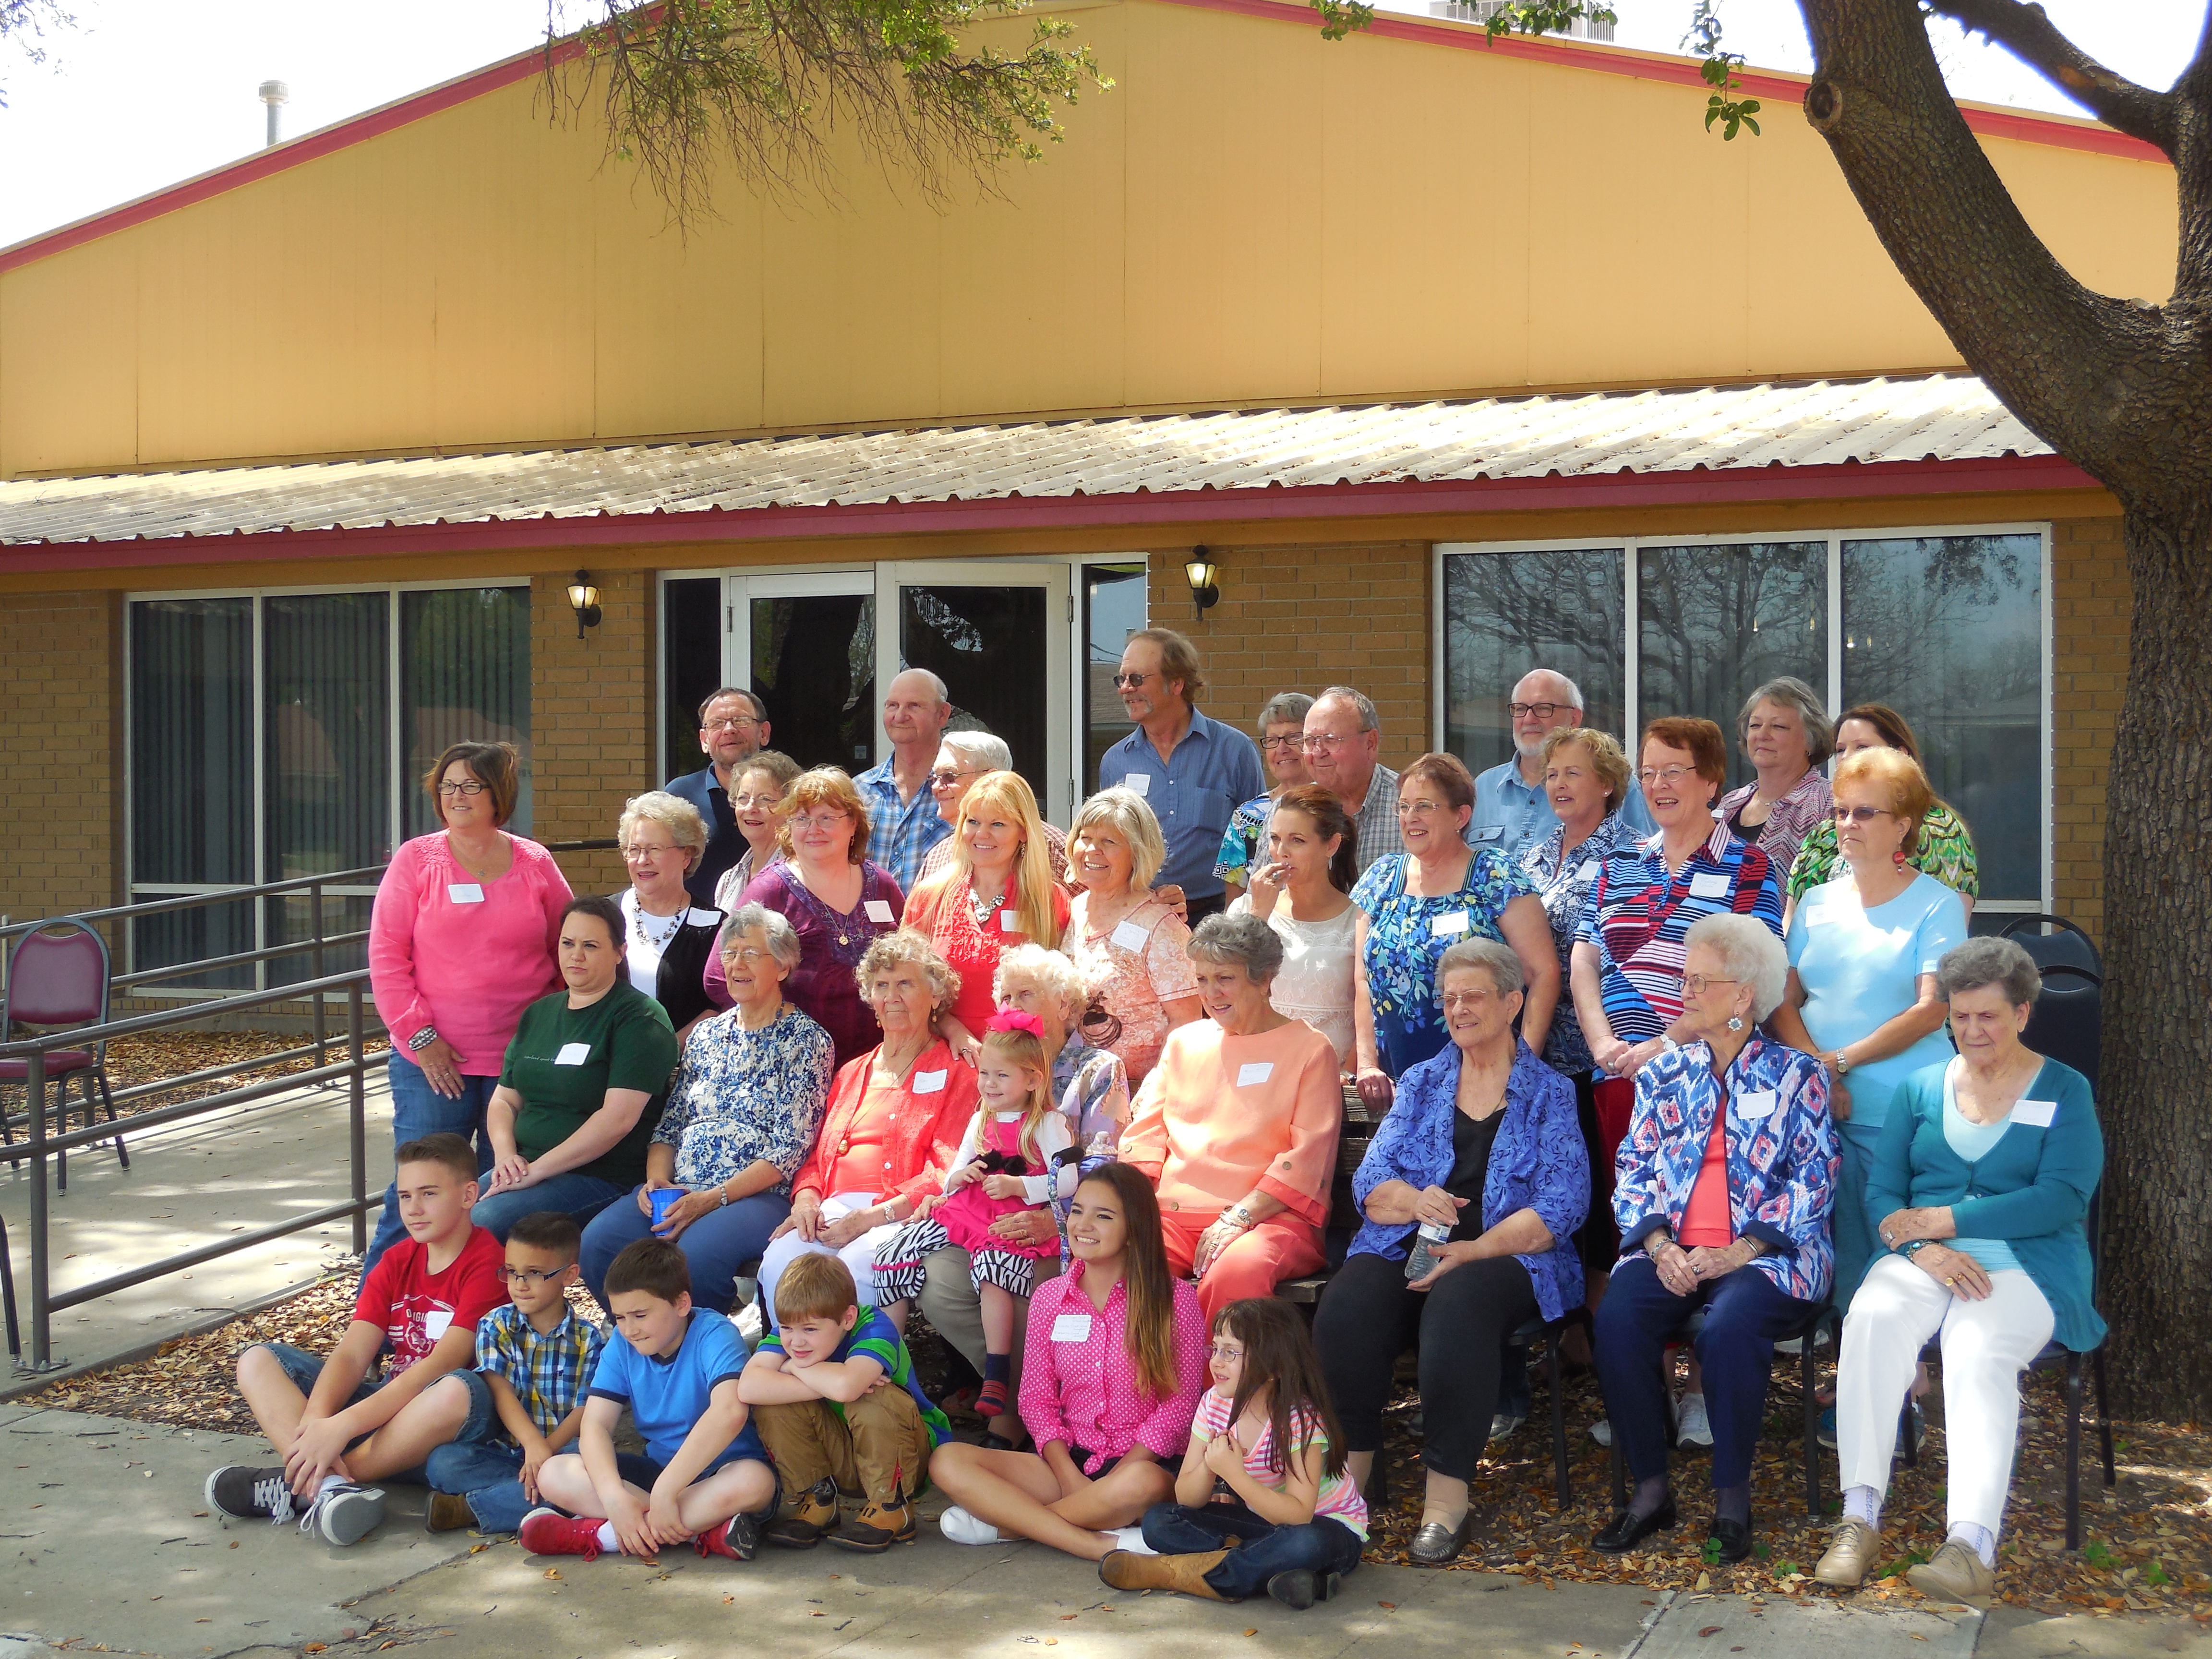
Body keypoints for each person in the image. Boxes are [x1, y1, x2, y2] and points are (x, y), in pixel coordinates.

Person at [1814, 938, 2103, 1608]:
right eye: (1961, 1016)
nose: (1972, 1031)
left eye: (1989, 1017)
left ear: (2023, 1013)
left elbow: (2063, 1197)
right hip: (1924, 1259)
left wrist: (1948, 1220)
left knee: (1976, 1347)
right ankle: (1859, 1518)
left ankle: (1971, 1546)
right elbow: (1884, 1194)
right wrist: (1922, 1248)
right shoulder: (1921, 1088)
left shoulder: (2064, 1089)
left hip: (2029, 1265)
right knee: (1872, 1316)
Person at [1313, 938, 1587, 1566]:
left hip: (1509, 1255)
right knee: (1349, 1305)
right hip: (1412, 1241)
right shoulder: (1422, 1081)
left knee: (1458, 1305)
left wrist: (1476, 1249)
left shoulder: (1549, 1092)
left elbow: (1562, 1205)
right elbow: (1371, 1182)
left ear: (1512, 1003)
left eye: (1473, 997)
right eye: (1449, 998)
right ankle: (1348, 1486)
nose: (1458, 1009)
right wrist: (1415, 1201)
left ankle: (1445, 1501)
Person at [1590, 914, 1837, 1566]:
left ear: (1744, 995)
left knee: (1729, 1327)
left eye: (1702, 981)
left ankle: (1732, 1499)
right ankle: (1651, 1491)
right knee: (1617, 1320)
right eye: (1685, 978)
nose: (1686, 991)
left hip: (1770, 1255)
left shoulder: (1796, 1074)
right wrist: (1660, 1246)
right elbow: (1634, 1169)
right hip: (1673, 1249)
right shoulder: (1665, 1074)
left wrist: (1742, 1250)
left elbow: (1815, 1176)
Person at [1571, 716, 1784, 1334]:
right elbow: (1584, 958)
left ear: (1712, 781)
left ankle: (1707, 1370)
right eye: (1649, 773)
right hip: (1619, 1075)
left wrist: (1666, 1043)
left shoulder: (1749, 867)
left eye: (1674, 771)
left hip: (1710, 1077)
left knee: (1706, 1217)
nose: (1658, 784)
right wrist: (1603, 1042)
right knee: (1641, 1225)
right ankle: (1649, 1372)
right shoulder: (1618, 864)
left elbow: (1755, 975)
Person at [204, 1134, 506, 1544]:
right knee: (257, 1360)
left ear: (469, 1195)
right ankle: (330, 1486)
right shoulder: (397, 1259)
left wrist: (341, 1427)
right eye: (404, 1196)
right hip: (386, 1418)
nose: (413, 1209)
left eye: (429, 1194)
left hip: (448, 1422)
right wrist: (317, 1425)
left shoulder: (488, 1263)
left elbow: (440, 1366)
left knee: (456, 1389)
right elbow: (351, 1354)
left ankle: (306, 1482)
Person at [1770, 747, 1967, 1311]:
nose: (1847, 824)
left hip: (1900, 1110)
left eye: (1864, 813)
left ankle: (1899, 1358)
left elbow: (1932, 1009)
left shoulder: (1937, 905)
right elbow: (1784, 998)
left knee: (1894, 1245)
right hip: (1819, 1105)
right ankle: (1848, 1353)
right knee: (1838, 1249)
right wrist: (1821, 1070)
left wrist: (1840, 1062)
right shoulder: (1814, 902)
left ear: (1902, 826)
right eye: (1841, 812)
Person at [364, 740, 571, 1274]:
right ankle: (378, 1315)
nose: (456, 796)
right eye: (447, 786)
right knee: (419, 1196)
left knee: (498, 1203)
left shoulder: (535, 862)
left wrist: (553, 1035)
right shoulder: (417, 860)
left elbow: (567, 951)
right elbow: (386, 956)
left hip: (518, 1064)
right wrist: (421, 1038)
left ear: (498, 794)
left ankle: (477, 1312)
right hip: (432, 1064)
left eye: (470, 786)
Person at [928, 1164, 1207, 1557]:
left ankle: (1013, 1527)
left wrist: (1121, 1472)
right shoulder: (1050, 1298)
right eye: (1077, 1211)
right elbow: (1036, 1399)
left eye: (1103, 1216)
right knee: (947, 1460)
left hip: (1143, 1465)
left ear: (1135, 1228)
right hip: (1067, 1463)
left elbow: (1180, 1405)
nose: (1083, 1225)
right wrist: (1068, 1477)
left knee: (1141, 1483)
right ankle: (1096, 1543)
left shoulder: (1175, 1299)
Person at [911, 947, 1134, 1427]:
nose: (1012, 1005)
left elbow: (1102, 1165)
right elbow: (976, 1149)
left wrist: (1053, 1216)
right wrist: (954, 1188)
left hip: (1062, 1229)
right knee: (937, 1277)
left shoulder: (1098, 1069)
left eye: (1026, 994)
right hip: (990, 1221)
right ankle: (1022, 1391)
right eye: (1006, 996)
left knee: (1013, 1280)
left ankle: (1016, 1416)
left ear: (1065, 1005)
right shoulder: (995, 1070)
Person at [579, 905, 836, 1315]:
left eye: (751, 954)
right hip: (681, 1187)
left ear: (783, 967)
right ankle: (641, 1336)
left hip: (756, 1196)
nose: (736, 964)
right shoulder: (707, 1034)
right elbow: (672, 1124)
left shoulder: (807, 1041)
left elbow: (789, 1150)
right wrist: (657, 1181)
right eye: (730, 953)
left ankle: (701, 1345)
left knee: (694, 1259)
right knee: (600, 1242)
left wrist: (711, 1199)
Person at [1120, 914, 1341, 1321]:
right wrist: (1131, 1208)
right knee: (1124, 1268)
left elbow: (1308, 1157)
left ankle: (1221, 1367)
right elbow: (1145, 1136)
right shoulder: (1184, 1042)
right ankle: (1144, 1369)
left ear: (1264, 979)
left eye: (1225, 978)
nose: (1211, 993)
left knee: (1236, 1274)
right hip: (1171, 1218)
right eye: (1202, 979)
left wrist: (1239, 1217)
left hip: (1267, 1221)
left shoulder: (1310, 1049)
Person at [754, 932, 978, 1324]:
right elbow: (816, 1159)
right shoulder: (852, 1071)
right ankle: (794, 1358)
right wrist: (806, 1204)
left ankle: (861, 1361)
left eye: (905, 984)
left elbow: (944, 1171)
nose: (892, 996)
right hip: (833, 1208)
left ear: (935, 997)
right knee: (780, 1262)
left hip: (902, 1212)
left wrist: (872, 1218)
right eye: (881, 986)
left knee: (859, 1266)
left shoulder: (958, 1074)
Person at [520, 1238, 779, 1563]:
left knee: (755, 1482)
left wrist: (667, 1492)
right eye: (620, 1318)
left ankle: (602, 1536)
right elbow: (596, 1425)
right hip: (658, 1473)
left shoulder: (714, 1332)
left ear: (682, 1304)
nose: (630, 1330)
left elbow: (729, 1412)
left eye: (640, 1315)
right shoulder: (622, 1343)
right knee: (554, 1472)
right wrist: (614, 1497)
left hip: (721, 1471)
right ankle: (701, 1532)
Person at [1104, 1298, 1367, 1611]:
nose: (1216, 1362)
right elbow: (1186, 1498)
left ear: (1274, 1366)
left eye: (1230, 1352)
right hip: (1263, 1525)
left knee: (1306, 1544)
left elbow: (1299, 1516)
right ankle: (1273, 1570)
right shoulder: (1214, 1404)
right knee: (1160, 1520)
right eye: (1215, 1348)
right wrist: (1209, 1467)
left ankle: (1172, 1574)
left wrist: (1235, 1475)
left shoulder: (1299, 1418)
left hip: (1328, 1527)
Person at [873, 1010, 1075, 1418]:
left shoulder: (1046, 1123)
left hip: (1010, 1217)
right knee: (891, 1254)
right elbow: (953, 1175)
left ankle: (997, 1373)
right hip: (967, 1211)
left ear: (1032, 1080)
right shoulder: (981, 1118)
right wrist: (959, 1177)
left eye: (1002, 1076)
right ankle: (889, 1360)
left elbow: (1068, 1178)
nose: (989, 1084)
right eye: (985, 1074)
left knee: (991, 1268)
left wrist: (1020, 1187)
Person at [1350, 752, 1558, 1104]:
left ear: (1461, 816)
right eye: (1404, 807)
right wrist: (1368, 1064)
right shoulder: (1381, 878)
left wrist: (1520, 1066)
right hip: (1397, 1087)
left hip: (1485, 1083)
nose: (1410, 817)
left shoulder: (1494, 874)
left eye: (1424, 806)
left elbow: (1543, 973)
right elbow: (1361, 980)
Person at [1518, 727, 1643, 1302]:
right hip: (1536, 1051)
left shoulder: (1633, 855)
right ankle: (1563, 1319)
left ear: (1608, 784)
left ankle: (1600, 1321)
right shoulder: (1533, 855)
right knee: (1551, 1190)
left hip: (1600, 1054)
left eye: (1573, 773)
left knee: (1600, 1195)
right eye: (1551, 774)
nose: (1558, 784)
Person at [473, 896, 680, 1239]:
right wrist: (506, 1158)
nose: (576, 955)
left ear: (620, 952)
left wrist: (536, 1172)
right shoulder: (538, 1014)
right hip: (526, 1166)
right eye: (568, 944)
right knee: (448, 1212)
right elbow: (505, 1100)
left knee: (484, 1222)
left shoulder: (640, 1018)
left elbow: (617, 1121)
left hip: (599, 1176)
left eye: (591, 946)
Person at [741, 1253, 955, 1553]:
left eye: (810, 1330)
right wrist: (826, 1382)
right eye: (787, 1328)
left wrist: (792, 1368)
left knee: (873, 1396)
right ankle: (820, 1499)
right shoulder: (796, 1326)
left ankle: (892, 1506)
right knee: (772, 1402)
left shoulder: (873, 1326)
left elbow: (847, 1388)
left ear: (848, 1318)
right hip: (843, 1457)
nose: (796, 1342)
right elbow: (749, 1387)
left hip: (906, 1459)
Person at [418, 1211, 606, 1535]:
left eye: (534, 1273)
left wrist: (546, 1451)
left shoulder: (589, 1340)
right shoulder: (495, 1325)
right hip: (507, 1451)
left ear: (569, 1275)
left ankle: (472, 1509)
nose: (519, 1285)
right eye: (511, 1272)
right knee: (444, 1463)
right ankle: (554, 1502)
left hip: (562, 1452)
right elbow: (500, 1390)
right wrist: (532, 1445)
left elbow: (584, 1410)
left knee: (586, 1466)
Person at [718, 767, 903, 1070]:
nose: (813, 829)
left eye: (827, 818)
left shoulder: (881, 884)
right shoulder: (770, 890)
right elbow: (718, 975)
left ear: (854, 824)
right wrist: (770, 1029)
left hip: (879, 1063)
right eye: (802, 819)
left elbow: (911, 963)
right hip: (793, 1065)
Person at [1098, 627, 1265, 925]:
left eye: (1136, 679)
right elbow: (1108, 844)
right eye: (1121, 679)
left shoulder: (1234, 750)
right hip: (1139, 915)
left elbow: (1256, 841)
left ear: (1176, 683)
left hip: (1215, 916)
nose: (1125, 688)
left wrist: (1238, 918)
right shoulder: (1116, 761)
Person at [900, 769, 1070, 1060]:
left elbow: (1060, 998)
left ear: (1024, 832)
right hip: (944, 1058)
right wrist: (954, 1031)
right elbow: (905, 986)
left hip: (1020, 1065)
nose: (982, 834)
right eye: (973, 822)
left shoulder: (1049, 901)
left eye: (998, 824)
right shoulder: (930, 897)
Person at [1785, 704, 1979, 923]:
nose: (1846, 757)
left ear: (1901, 755)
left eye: (1862, 747)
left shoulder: (1941, 829)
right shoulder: (1822, 834)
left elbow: (1949, 925)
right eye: (1840, 750)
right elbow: (1790, 921)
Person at [1066, 788, 1202, 1084]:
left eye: (1109, 842)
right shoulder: (1073, 909)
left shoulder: (1160, 923)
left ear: (1138, 853)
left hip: (1137, 1091)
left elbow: (1186, 1020)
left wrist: (1154, 1091)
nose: (1092, 850)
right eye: (1085, 837)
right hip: (1074, 1088)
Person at [1228, 783, 1360, 1068]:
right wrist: (1258, 917)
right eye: (1275, 839)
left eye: (1297, 840)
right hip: (1256, 1068)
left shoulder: (1358, 920)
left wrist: (1347, 1073)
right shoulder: (1245, 909)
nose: (1281, 852)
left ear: (1332, 845)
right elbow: (1227, 990)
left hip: (1330, 1074)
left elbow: (1370, 1009)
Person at [1471, 670, 1654, 859]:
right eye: (1520, 709)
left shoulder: (1616, 784)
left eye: (1543, 708)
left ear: (1574, 718)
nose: (1528, 719)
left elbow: (1648, 861)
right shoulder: (1482, 789)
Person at [615, 790, 723, 1042]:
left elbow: (719, 1003)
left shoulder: (717, 927)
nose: (643, 860)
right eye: (634, 849)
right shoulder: (604, 916)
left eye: (654, 849)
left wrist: (667, 1051)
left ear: (687, 855)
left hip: (684, 1061)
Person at [1715, 676, 1835, 881]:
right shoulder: (1729, 804)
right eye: (1755, 725)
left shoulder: (1828, 803)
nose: (1762, 735)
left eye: (1778, 726)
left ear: (1811, 739)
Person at [914, 731, 1069, 887]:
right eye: (934, 778)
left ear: (989, 778)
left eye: (949, 777)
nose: (936, 787)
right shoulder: (938, 856)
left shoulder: (1050, 848)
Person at [665, 686, 772, 907]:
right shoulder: (679, 797)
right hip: (696, 925)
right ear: (704, 740)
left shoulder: (791, 793)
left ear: (764, 733)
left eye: (740, 720)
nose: (729, 730)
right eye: (717, 723)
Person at [854, 668, 955, 891]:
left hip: (939, 914)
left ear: (942, 714)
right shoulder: (860, 790)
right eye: (893, 705)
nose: (900, 716)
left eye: (914, 706)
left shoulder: (962, 790)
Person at [1214, 692, 1315, 902]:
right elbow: (1235, 907)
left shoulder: (1337, 806)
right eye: (1272, 740)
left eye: (1293, 737)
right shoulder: (1246, 818)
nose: (1282, 749)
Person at [1301, 685, 1404, 876]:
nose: (1318, 752)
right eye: (1310, 741)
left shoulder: (1410, 809)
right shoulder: (1288, 813)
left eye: (1330, 740)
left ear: (1371, 743)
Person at [710, 749, 803, 914]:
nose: (750, 808)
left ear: (790, 808)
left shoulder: (799, 874)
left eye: (765, 799)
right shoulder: (728, 880)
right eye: (743, 798)